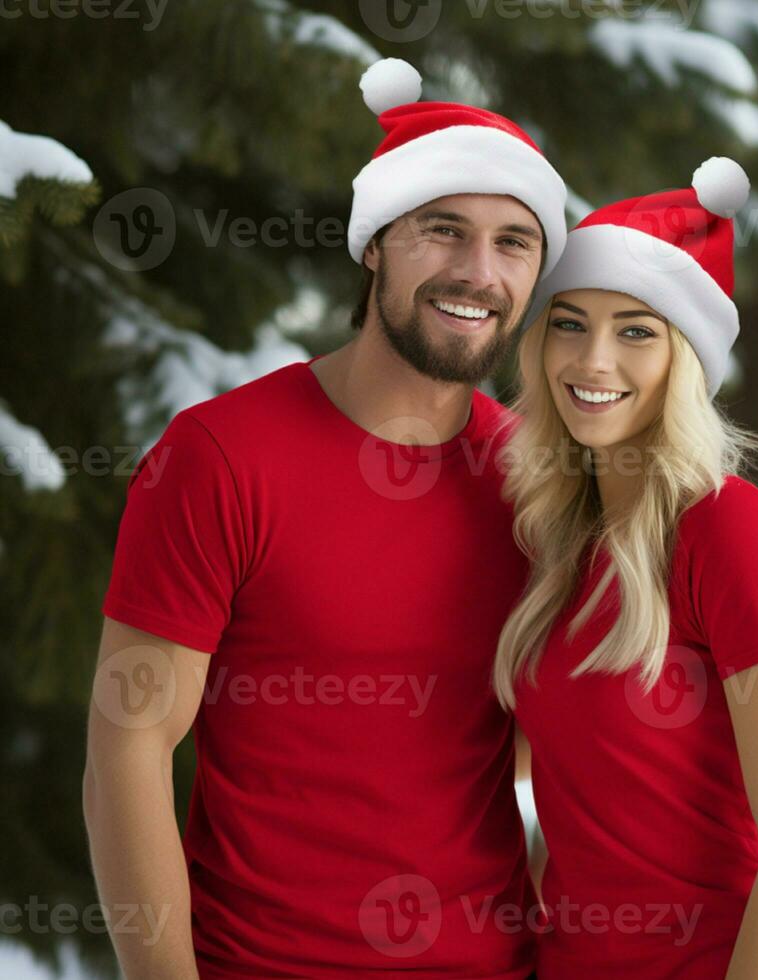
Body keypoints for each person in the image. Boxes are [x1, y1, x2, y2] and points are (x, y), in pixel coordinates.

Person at [83, 57, 566, 979]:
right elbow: (126, 749)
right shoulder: (219, 456)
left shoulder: (541, 485)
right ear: (376, 241)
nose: (478, 270)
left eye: (515, 242)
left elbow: (570, 759)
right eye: (443, 229)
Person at [493, 157, 758, 979]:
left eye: (636, 331)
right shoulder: (557, 548)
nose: (593, 360)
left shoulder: (729, 531)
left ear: (686, 359)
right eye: (569, 323)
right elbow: (582, 810)